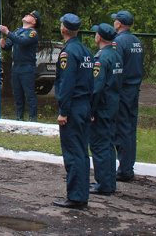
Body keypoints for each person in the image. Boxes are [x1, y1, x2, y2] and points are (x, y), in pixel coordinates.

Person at [53, 13, 94, 209]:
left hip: (74, 107)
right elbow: (92, 82)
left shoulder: (68, 53)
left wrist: (64, 111)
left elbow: (67, 84)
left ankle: (76, 197)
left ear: (63, 29)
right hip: (85, 105)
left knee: (73, 152)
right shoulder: (86, 51)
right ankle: (81, 193)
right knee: (82, 152)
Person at [89, 23, 123, 196]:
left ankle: (103, 184)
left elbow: (96, 88)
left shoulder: (101, 58)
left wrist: (91, 110)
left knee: (99, 144)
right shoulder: (116, 55)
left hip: (102, 107)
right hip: (113, 104)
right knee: (109, 144)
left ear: (99, 37)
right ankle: (109, 183)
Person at [112, 9, 144, 182]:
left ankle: (124, 169)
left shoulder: (119, 42)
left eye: (115, 21)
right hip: (134, 88)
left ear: (119, 24)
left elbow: (116, 68)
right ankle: (128, 165)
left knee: (122, 127)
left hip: (123, 89)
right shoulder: (136, 41)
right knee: (131, 127)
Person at [0, 10, 41, 121]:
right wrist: (3, 45)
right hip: (16, 67)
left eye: (31, 16)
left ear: (34, 22)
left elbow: (22, 41)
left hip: (27, 67)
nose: (27, 15)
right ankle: (19, 118)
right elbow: (9, 45)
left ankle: (32, 119)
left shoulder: (32, 33)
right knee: (17, 95)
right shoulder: (17, 31)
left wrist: (8, 32)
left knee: (29, 94)